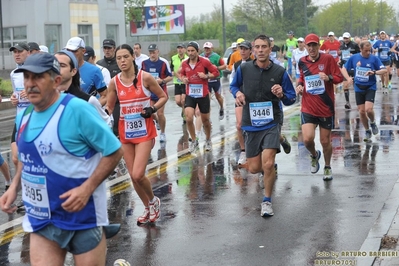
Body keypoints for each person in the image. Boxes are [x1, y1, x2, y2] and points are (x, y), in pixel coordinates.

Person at [0, 53, 123, 265]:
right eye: (27, 77)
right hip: (42, 219)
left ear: (56, 81)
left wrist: (86, 189)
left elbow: (114, 150)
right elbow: (28, 157)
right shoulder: (25, 114)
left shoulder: (77, 109)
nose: (30, 84)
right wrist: (14, 186)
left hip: (82, 219)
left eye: (37, 77)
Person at [230, 34, 296, 217]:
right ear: (253, 49)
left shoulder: (279, 71)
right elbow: (233, 86)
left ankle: (266, 201)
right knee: (254, 168)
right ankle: (281, 140)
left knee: (268, 164)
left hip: (271, 121)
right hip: (251, 123)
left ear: (270, 49)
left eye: (264, 47)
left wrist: (282, 94)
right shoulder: (244, 69)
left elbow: (292, 98)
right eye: (257, 47)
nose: (260, 50)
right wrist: (238, 94)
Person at [106, 44, 168, 225]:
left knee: (139, 174)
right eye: (119, 58)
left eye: (125, 57)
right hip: (126, 132)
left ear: (133, 57)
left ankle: (153, 201)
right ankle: (148, 207)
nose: (122, 61)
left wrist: (152, 108)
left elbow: (163, 96)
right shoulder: (114, 82)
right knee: (133, 176)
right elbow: (109, 107)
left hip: (145, 131)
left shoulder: (145, 77)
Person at [295, 33, 343, 181]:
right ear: (305, 46)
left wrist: (328, 77)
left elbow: (339, 78)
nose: (311, 48)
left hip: (325, 107)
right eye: (309, 45)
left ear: (318, 46)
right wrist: (300, 86)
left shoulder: (328, 59)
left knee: (325, 141)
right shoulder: (302, 61)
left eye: (314, 45)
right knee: (308, 139)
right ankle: (314, 155)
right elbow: (301, 78)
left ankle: (327, 166)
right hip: (308, 107)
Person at [341, 40, 387, 142]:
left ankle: (373, 122)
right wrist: (348, 78)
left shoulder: (374, 59)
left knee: (369, 110)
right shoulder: (354, 58)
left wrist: (374, 72)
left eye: (369, 50)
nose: (368, 52)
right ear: (360, 49)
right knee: (361, 111)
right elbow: (343, 69)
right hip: (358, 87)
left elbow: (384, 70)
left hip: (370, 86)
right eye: (366, 50)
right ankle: (367, 130)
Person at [179, 41, 219, 153]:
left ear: (197, 51)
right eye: (189, 51)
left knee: (205, 120)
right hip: (190, 94)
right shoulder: (184, 63)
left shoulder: (205, 62)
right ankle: (194, 140)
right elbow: (181, 74)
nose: (190, 53)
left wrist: (206, 76)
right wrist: (183, 79)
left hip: (203, 94)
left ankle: (208, 139)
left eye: (193, 51)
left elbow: (216, 72)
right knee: (189, 118)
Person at [141, 44, 173, 143]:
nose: (152, 54)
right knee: (150, 113)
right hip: (149, 93)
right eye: (150, 53)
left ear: (157, 52)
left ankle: (162, 133)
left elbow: (170, 77)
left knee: (160, 113)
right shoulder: (144, 63)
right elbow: (141, 76)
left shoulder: (163, 63)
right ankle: (157, 122)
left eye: (154, 52)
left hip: (160, 93)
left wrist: (162, 81)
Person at [230, 40, 253, 166]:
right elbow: (232, 82)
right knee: (239, 125)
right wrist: (236, 93)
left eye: (245, 49)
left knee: (254, 126)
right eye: (241, 49)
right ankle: (243, 151)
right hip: (240, 98)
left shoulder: (255, 63)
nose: (243, 51)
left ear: (250, 50)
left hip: (253, 99)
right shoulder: (236, 65)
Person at [64, 37, 107, 106]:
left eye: (74, 51)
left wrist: (91, 109)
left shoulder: (94, 70)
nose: (71, 54)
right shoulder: (62, 69)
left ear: (83, 51)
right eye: (68, 51)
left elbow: (105, 96)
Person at [9, 42, 30, 171]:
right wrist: (13, 98)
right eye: (15, 52)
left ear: (28, 53)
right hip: (19, 117)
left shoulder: (35, 70)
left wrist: (31, 94)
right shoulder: (13, 73)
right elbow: (15, 92)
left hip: (33, 116)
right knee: (16, 158)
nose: (17, 54)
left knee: (30, 155)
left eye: (20, 51)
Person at [96, 39, 121, 137]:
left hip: (118, 101)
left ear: (114, 49)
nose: (107, 50)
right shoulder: (99, 64)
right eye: (105, 48)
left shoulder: (119, 63)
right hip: (103, 102)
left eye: (109, 48)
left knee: (117, 128)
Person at [200, 41, 227, 120]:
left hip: (216, 80)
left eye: (208, 48)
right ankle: (207, 117)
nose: (207, 50)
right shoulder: (201, 57)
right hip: (206, 80)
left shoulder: (216, 57)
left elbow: (224, 66)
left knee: (218, 97)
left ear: (212, 48)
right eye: (205, 48)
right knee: (207, 98)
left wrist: (217, 68)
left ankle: (221, 108)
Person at [339, 32, 360, 109]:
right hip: (345, 67)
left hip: (353, 67)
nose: (346, 40)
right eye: (344, 38)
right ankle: (347, 102)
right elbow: (342, 57)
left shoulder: (354, 45)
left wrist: (353, 56)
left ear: (350, 38)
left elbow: (359, 54)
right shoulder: (341, 46)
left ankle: (359, 102)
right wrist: (340, 62)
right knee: (345, 85)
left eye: (347, 38)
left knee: (356, 85)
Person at [170, 43, 188, 123]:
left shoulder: (188, 58)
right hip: (176, 82)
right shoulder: (173, 58)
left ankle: (185, 115)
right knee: (178, 101)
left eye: (181, 48)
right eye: (178, 48)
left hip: (185, 82)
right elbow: (172, 70)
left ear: (184, 49)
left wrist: (183, 78)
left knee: (183, 100)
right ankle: (184, 109)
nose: (180, 50)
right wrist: (176, 75)